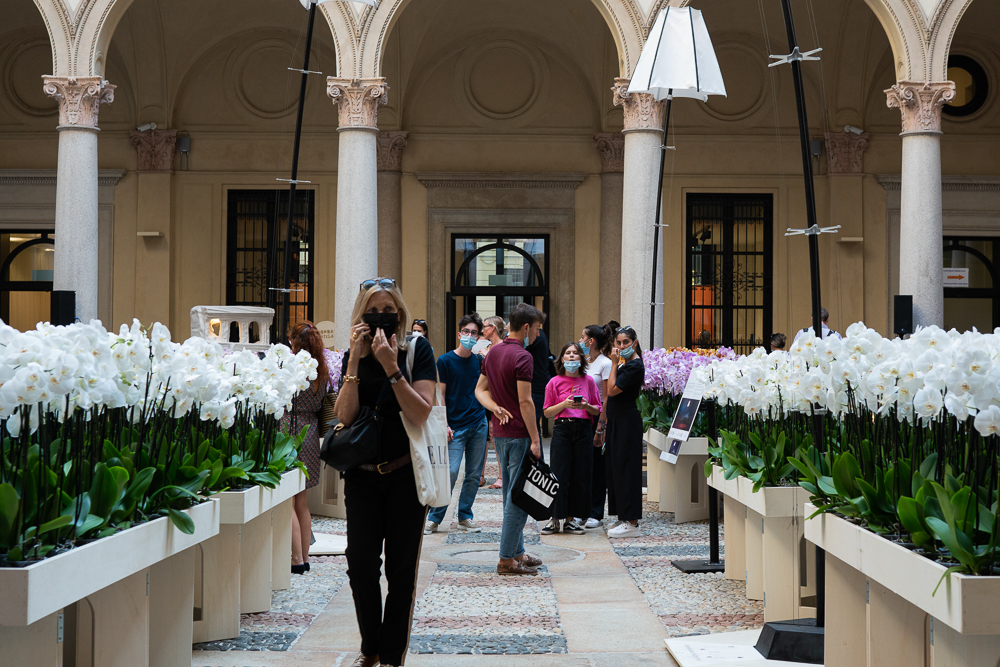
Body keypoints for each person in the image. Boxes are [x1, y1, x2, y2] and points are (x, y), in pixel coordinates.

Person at [335, 278, 438, 667]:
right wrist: (355, 361)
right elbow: (344, 417)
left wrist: (393, 368)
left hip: (403, 476)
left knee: (400, 570)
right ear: (361, 315)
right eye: (372, 311)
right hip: (361, 476)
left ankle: (391, 656)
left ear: (400, 313)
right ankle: (370, 646)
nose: (381, 318)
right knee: (360, 564)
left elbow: (421, 412)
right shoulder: (354, 353)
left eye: (388, 311)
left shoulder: (416, 350)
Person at [475, 302, 546, 575]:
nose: (538, 334)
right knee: (518, 498)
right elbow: (526, 401)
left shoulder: (493, 353)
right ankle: (506, 559)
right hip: (518, 434)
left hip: (501, 434)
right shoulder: (523, 356)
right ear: (526, 327)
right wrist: (536, 439)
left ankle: (517, 552)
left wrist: (493, 408)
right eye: (537, 328)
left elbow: (479, 391)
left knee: (510, 494)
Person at [425, 313, 488, 535]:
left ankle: (465, 516)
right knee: (450, 472)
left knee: (473, 474)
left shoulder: (480, 361)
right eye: (467, 332)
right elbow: (439, 395)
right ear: (459, 334)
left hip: (478, 423)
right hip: (455, 427)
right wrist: (444, 423)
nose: (470, 336)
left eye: (474, 333)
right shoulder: (445, 361)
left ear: (478, 336)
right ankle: (434, 517)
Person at [280, 321, 336, 574]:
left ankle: (295, 560)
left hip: (289, 429)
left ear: (296, 343)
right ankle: (305, 557)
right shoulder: (322, 371)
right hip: (312, 432)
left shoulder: (290, 367)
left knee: (287, 501)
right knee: (302, 500)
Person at [541, 342, 601, 535]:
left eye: (576, 353)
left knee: (581, 476)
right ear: (562, 358)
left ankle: (571, 519)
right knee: (558, 474)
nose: (572, 356)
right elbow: (547, 412)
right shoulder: (554, 382)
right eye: (568, 353)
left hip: (583, 429)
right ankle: (554, 518)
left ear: (581, 358)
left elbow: (597, 408)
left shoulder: (588, 381)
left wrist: (584, 406)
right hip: (562, 429)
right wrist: (564, 404)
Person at [604, 325, 646, 538]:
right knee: (617, 467)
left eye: (625, 343)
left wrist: (613, 363)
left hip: (627, 423)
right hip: (618, 421)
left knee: (627, 468)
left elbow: (611, 390)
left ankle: (631, 521)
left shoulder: (634, 366)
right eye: (618, 343)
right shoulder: (626, 364)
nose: (621, 347)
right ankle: (624, 516)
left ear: (634, 343)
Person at [580, 323, 614, 529]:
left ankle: (595, 511)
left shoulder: (605, 363)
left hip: (596, 418)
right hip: (580, 416)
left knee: (597, 467)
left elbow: (607, 397)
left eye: (583, 337)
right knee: (583, 465)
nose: (580, 340)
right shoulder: (583, 361)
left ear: (591, 341)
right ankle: (581, 509)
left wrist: (602, 423)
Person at [478, 315, 506, 488]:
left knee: (496, 436)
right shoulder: (485, 347)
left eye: (485, 326)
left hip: (498, 397)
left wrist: (488, 356)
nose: (482, 330)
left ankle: (502, 476)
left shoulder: (503, 347)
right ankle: (479, 475)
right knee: (483, 436)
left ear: (493, 328)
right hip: (484, 395)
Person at [526, 324, 553, 438]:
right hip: (538, 385)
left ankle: (536, 454)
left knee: (531, 427)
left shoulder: (536, 337)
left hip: (536, 387)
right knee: (533, 426)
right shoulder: (540, 335)